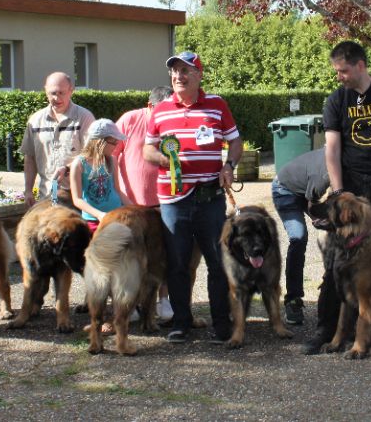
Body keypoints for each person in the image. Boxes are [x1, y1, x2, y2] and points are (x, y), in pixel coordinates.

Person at [304, 40, 371, 354]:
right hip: (350, 195)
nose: (339, 76)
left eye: (343, 71)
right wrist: (338, 193)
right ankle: (326, 330)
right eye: (337, 71)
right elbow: (332, 149)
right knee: (336, 265)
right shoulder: (336, 101)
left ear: (360, 65)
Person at [143, 51, 242, 344]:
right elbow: (147, 149)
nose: (178, 77)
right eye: (174, 72)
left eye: (185, 71)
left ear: (199, 75)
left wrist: (229, 166)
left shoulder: (216, 105)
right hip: (173, 200)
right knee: (178, 263)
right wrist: (165, 159)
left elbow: (235, 141)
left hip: (210, 198)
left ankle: (221, 324)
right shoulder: (160, 110)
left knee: (216, 262)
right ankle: (181, 323)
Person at [116, 85, 177, 321]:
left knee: (165, 256)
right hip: (132, 204)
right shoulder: (130, 119)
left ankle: (163, 301)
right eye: (164, 108)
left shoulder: (173, 123)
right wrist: (119, 194)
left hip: (166, 202)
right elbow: (111, 156)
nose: (168, 112)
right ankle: (129, 304)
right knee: (130, 257)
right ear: (150, 106)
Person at [270, 147, 329, 325]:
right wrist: (320, 220)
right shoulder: (324, 175)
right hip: (284, 189)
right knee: (299, 237)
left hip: (306, 189)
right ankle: (293, 300)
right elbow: (313, 205)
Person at [21, 72, 95, 208]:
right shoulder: (35, 120)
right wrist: (28, 190)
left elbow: (91, 155)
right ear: (45, 91)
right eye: (52, 93)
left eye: (62, 93)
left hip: (79, 196)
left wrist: (67, 169)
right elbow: (30, 157)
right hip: (48, 194)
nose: (57, 98)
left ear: (71, 91)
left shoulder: (85, 117)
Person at [68, 119, 130, 232]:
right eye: (113, 143)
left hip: (115, 215)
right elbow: (77, 199)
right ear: (100, 142)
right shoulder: (79, 164)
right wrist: (99, 215)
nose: (116, 147)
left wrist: (133, 207)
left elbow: (117, 190)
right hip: (93, 221)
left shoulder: (112, 160)